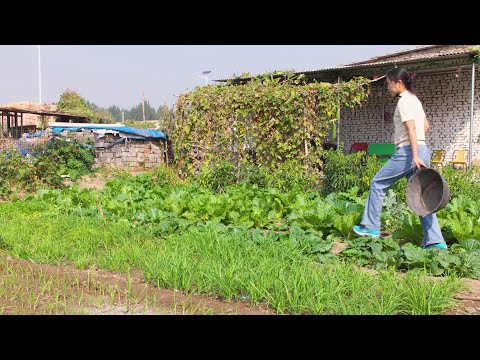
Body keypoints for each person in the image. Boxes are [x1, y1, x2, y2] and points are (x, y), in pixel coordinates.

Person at [352, 67, 447, 250]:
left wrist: (415, 154)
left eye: (389, 83)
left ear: (399, 83)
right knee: (421, 198)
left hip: (409, 153)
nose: (388, 87)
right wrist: (419, 147)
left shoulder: (404, 102)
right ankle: (436, 241)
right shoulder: (415, 100)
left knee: (378, 183)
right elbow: (425, 126)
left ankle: (370, 227)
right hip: (420, 148)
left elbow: (411, 128)